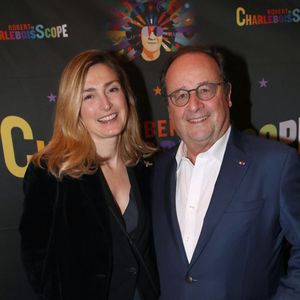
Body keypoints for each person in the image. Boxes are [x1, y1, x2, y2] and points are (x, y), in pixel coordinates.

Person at [151, 45, 300, 300]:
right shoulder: (156, 171)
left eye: (205, 90)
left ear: (227, 94)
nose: (194, 105)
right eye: (180, 96)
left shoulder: (275, 164)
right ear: (169, 107)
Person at [19, 49, 159, 300]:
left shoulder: (146, 166)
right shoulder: (51, 172)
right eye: (89, 96)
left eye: (112, 89)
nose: (105, 104)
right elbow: (37, 263)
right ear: (73, 108)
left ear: (126, 95)